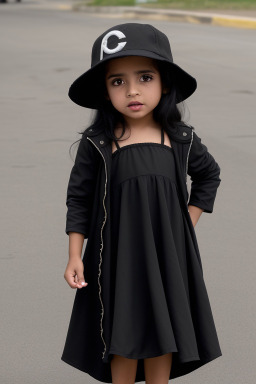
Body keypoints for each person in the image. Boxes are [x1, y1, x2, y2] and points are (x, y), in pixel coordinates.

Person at [61, 23, 222, 384]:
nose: (132, 90)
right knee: (123, 331)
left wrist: (186, 223)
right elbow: (79, 198)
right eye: (117, 81)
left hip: (168, 255)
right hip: (117, 256)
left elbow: (209, 176)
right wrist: (75, 254)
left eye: (145, 77)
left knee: (163, 329)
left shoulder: (180, 139)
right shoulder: (98, 143)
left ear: (164, 83)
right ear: (105, 91)